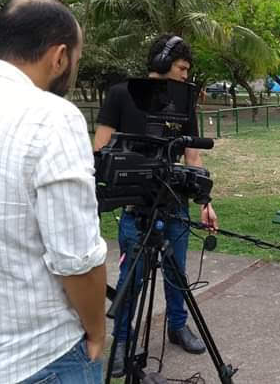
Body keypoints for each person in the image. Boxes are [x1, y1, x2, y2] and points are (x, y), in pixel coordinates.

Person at [0, 0, 107, 383]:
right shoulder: (53, 117)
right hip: (39, 357)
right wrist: (97, 331)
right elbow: (76, 258)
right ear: (59, 57)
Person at [93, 34, 219, 375]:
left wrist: (205, 201)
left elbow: (193, 155)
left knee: (177, 271)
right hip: (135, 205)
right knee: (132, 276)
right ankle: (122, 339)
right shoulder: (121, 94)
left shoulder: (184, 102)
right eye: (181, 68)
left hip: (175, 201)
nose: (185, 75)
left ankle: (177, 326)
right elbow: (101, 149)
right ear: (162, 63)